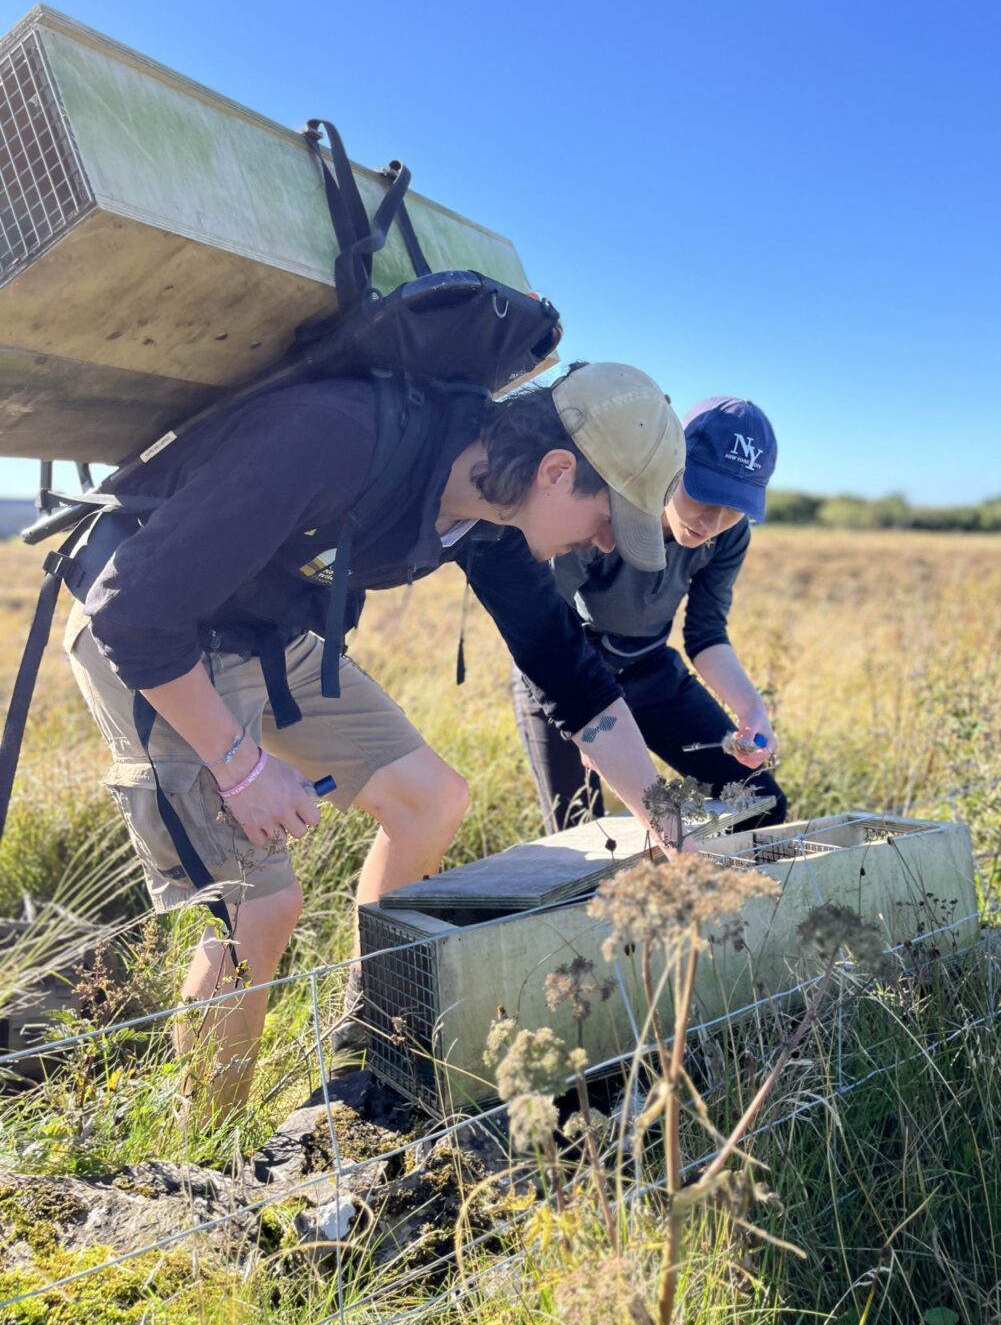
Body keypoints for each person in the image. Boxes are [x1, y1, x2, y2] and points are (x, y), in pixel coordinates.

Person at [65, 361, 686, 1114]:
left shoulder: (490, 520)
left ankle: (367, 1033)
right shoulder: (335, 435)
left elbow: (570, 675)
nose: (603, 544)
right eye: (607, 518)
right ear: (557, 471)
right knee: (259, 906)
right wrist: (241, 768)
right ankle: (209, 1145)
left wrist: (669, 820)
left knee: (432, 800)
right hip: (160, 639)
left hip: (269, 633)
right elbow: (131, 611)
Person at [513, 396, 788, 833]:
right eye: (704, 493)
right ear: (669, 465)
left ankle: (686, 867)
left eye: (733, 506)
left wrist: (752, 707)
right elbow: (545, 631)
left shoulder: (729, 535)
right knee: (582, 833)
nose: (712, 521)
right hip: (567, 672)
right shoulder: (600, 509)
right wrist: (584, 716)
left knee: (758, 803)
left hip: (649, 668)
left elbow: (706, 632)